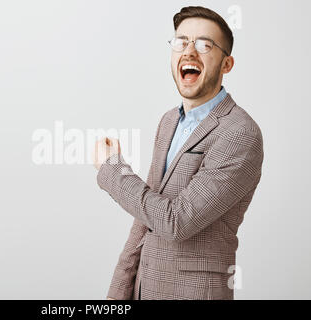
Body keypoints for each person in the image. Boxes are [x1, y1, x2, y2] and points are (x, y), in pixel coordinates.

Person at [92, 6, 264, 300]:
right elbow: (143, 220)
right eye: (181, 42)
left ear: (227, 64)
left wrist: (112, 169)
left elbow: (177, 221)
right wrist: (116, 297)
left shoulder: (240, 133)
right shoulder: (169, 120)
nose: (189, 52)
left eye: (204, 45)